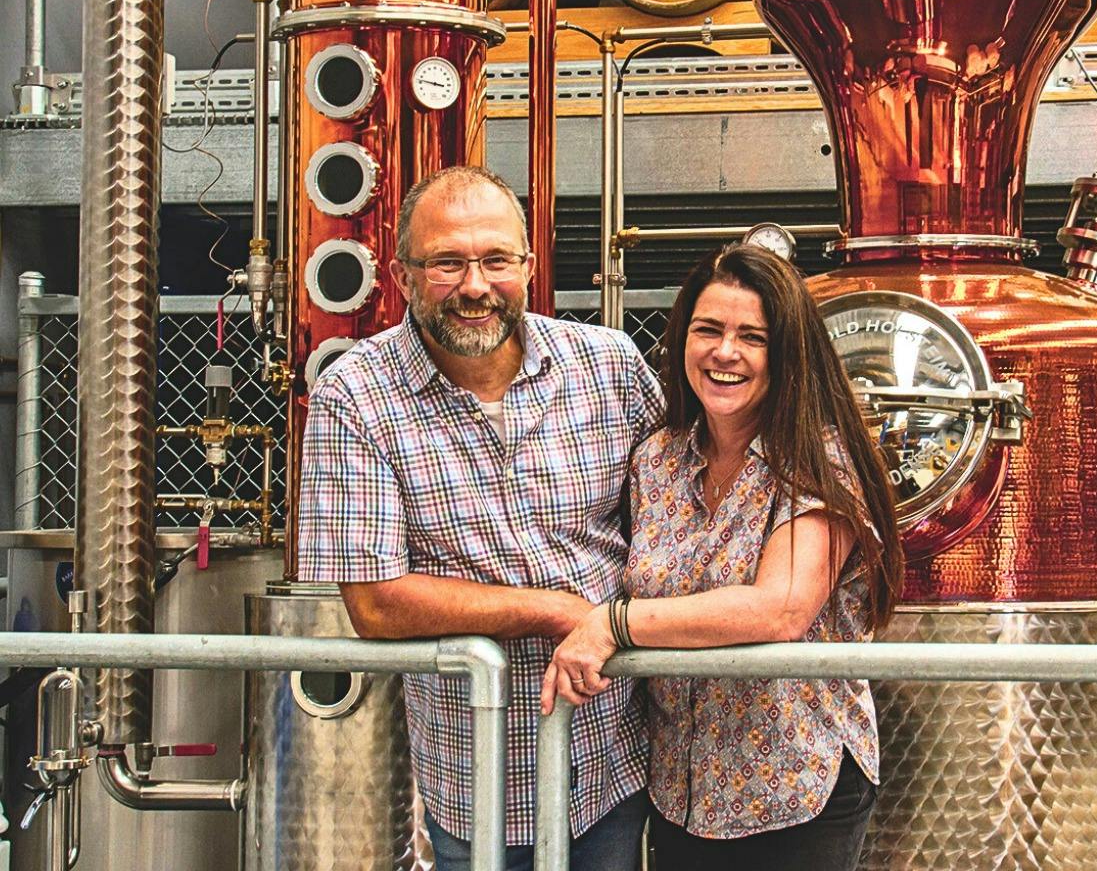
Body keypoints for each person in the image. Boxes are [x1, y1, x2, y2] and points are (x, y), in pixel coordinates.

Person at [296, 165, 663, 871]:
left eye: (495, 259)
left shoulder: (609, 367)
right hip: (480, 779)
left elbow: (676, 518)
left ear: (528, 266)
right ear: (403, 274)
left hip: (615, 757)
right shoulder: (356, 396)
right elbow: (375, 603)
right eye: (447, 263)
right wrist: (557, 612)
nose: (474, 286)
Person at [542, 243, 904, 871]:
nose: (725, 352)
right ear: (682, 338)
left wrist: (611, 623)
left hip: (793, 789)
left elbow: (780, 610)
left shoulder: (817, 457)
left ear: (786, 354)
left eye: (752, 337)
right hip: (681, 791)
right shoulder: (657, 459)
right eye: (708, 330)